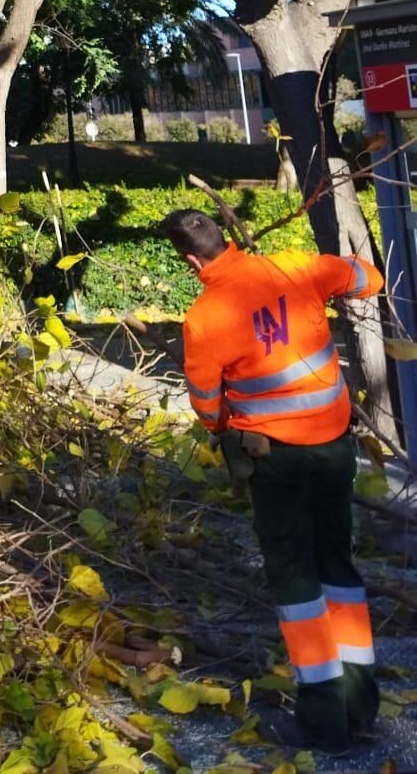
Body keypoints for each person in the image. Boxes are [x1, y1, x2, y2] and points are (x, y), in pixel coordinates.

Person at [161, 208, 384, 754]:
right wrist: (324, 291)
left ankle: (323, 723)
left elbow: (207, 406)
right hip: (333, 448)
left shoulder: (204, 318)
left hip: (274, 460)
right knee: (338, 570)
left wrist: (224, 427)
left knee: (297, 584)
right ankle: (360, 706)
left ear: (191, 260)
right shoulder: (293, 267)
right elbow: (367, 279)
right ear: (229, 237)